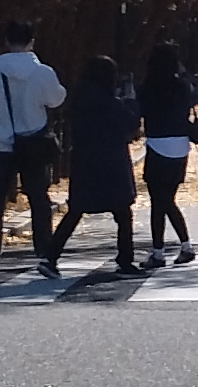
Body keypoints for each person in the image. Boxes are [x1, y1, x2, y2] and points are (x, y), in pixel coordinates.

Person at [0, 21, 65, 262]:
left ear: (6, 41)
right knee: (38, 197)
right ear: (32, 42)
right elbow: (55, 100)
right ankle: (43, 250)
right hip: (33, 141)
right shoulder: (42, 72)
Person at [52, 51, 139, 275]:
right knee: (122, 211)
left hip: (84, 161)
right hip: (111, 163)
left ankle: (50, 256)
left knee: (76, 210)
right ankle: (125, 259)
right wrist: (129, 100)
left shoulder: (79, 100)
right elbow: (131, 124)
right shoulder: (110, 103)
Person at [137, 40, 198, 262]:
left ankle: (166, 250)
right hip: (180, 146)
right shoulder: (182, 86)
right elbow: (194, 94)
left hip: (157, 145)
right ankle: (181, 247)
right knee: (166, 199)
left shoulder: (148, 87)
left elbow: (141, 110)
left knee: (160, 202)